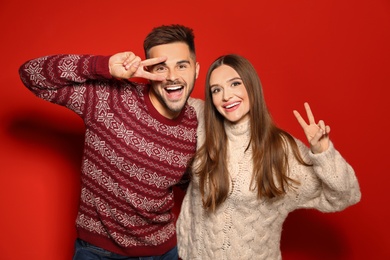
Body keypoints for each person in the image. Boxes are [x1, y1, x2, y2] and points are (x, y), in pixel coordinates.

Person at [19, 24, 203, 260]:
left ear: (195, 70)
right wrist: (102, 66)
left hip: (164, 251)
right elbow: (31, 75)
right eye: (160, 67)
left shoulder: (194, 121)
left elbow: (186, 179)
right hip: (99, 252)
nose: (172, 76)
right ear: (148, 69)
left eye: (182, 65)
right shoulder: (110, 98)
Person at [176, 54, 361, 260]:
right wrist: (133, 72)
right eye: (216, 90)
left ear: (252, 86)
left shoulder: (281, 150)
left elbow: (346, 195)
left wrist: (322, 151)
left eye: (235, 84)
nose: (226, 96)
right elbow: (165, 95)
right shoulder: (202, 121)